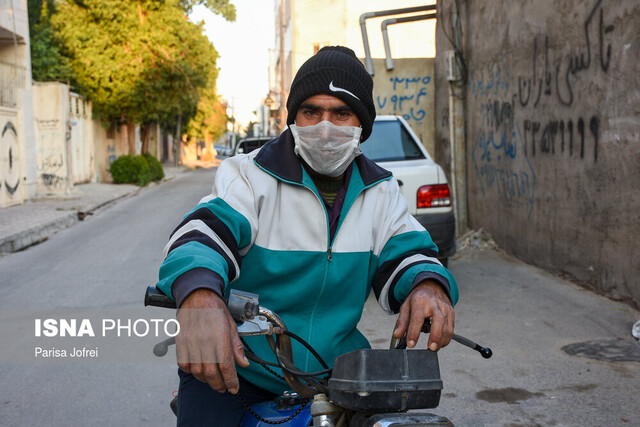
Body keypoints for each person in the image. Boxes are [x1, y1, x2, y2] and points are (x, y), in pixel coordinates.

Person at [156, 46, 458, 426]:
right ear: (293, 117)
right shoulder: (248, 175)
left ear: (361, 123)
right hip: (239, 367)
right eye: (311, 111)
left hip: (339, 374)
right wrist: (200, 295)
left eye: (341, 112)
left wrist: (427, 286)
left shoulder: (380, 190)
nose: (325, 126)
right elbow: (200, 235)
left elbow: (410, 252)